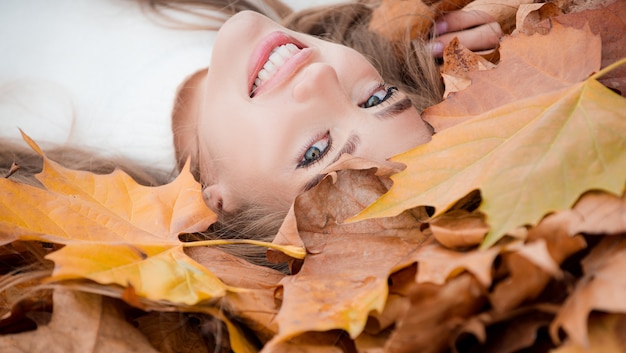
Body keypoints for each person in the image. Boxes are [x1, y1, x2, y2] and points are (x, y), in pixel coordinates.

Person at [0, 0, 502, 265]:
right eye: (374, 99)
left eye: (316, 151)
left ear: (220, 202)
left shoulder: (33, 161)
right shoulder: (306, 10)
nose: (323, 78)